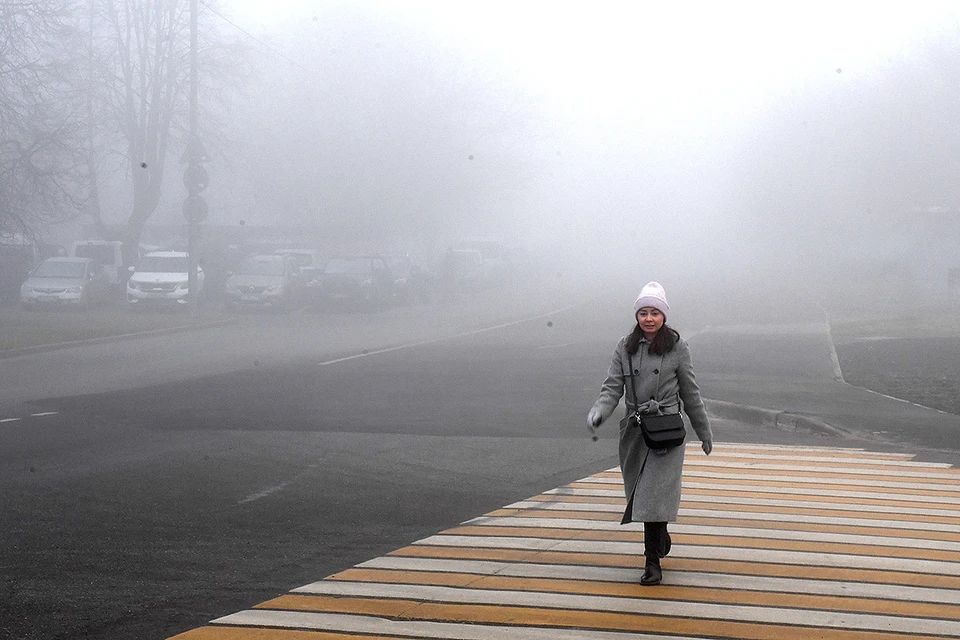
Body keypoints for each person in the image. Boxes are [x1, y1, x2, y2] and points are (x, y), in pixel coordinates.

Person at [587, 281, 712, 586]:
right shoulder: (625, 347)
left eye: (655, 312)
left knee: (652, 496)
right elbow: (612, 387)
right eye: (643, 312)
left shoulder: (678, 348)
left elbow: (690, 392)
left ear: (664, 316)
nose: (649, 318)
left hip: (667, 433)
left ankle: (651, 562)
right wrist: (600, 411)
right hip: (636, 432)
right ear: (637, 316)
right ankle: (660, 534)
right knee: (644, 496)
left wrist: (703, 430)